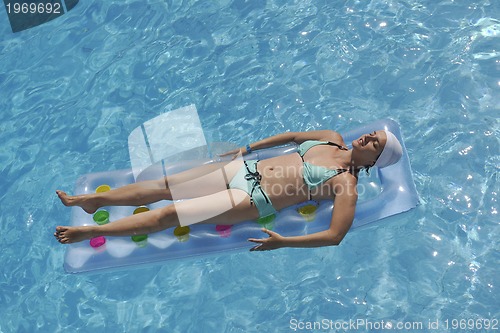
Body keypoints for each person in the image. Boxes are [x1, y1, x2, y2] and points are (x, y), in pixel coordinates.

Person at [54, 129, 402, 251]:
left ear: (375, 160)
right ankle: (91, 200)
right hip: (243, 168)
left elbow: (335, 235)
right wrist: (248, 148)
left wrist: (284, 242)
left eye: (376, 144)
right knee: (166, 186)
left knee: (171, 214)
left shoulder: (346, 185)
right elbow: (294, 138)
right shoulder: (332, 138)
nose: (369, 137)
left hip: (251, 198)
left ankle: (92, 231)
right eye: (374, 134)